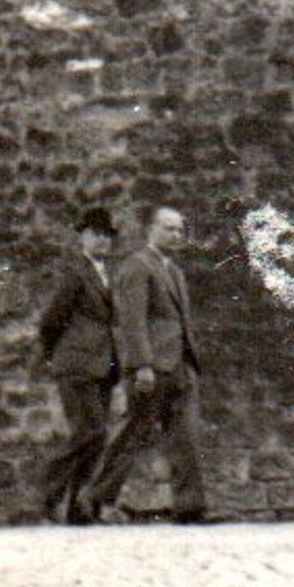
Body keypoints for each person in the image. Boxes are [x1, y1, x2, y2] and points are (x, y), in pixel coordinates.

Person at [79, 206, 207, 524]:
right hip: (151, 368)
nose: (175, 235)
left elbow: (178, 320)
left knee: (186, 436)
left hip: (180, 365)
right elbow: (132, 321)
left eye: (179, 230)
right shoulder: (137, 266)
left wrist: (189, 359)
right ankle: (94, 497)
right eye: (168, 228)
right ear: (151, 229)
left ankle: (189, 506)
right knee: (134, 433)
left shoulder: (174, 271)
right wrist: (142, 366)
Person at [38, 206, 120, 525]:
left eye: (106, 235)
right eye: (95, 234)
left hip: (103, 366)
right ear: (82, 237)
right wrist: (55, 356)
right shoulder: (75, 273)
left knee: (96, 436)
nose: (101, 241)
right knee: (90, 432)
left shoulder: (108, 274)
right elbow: (51, 321)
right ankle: (48, 489)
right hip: (76, 365)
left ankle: (76, 507)